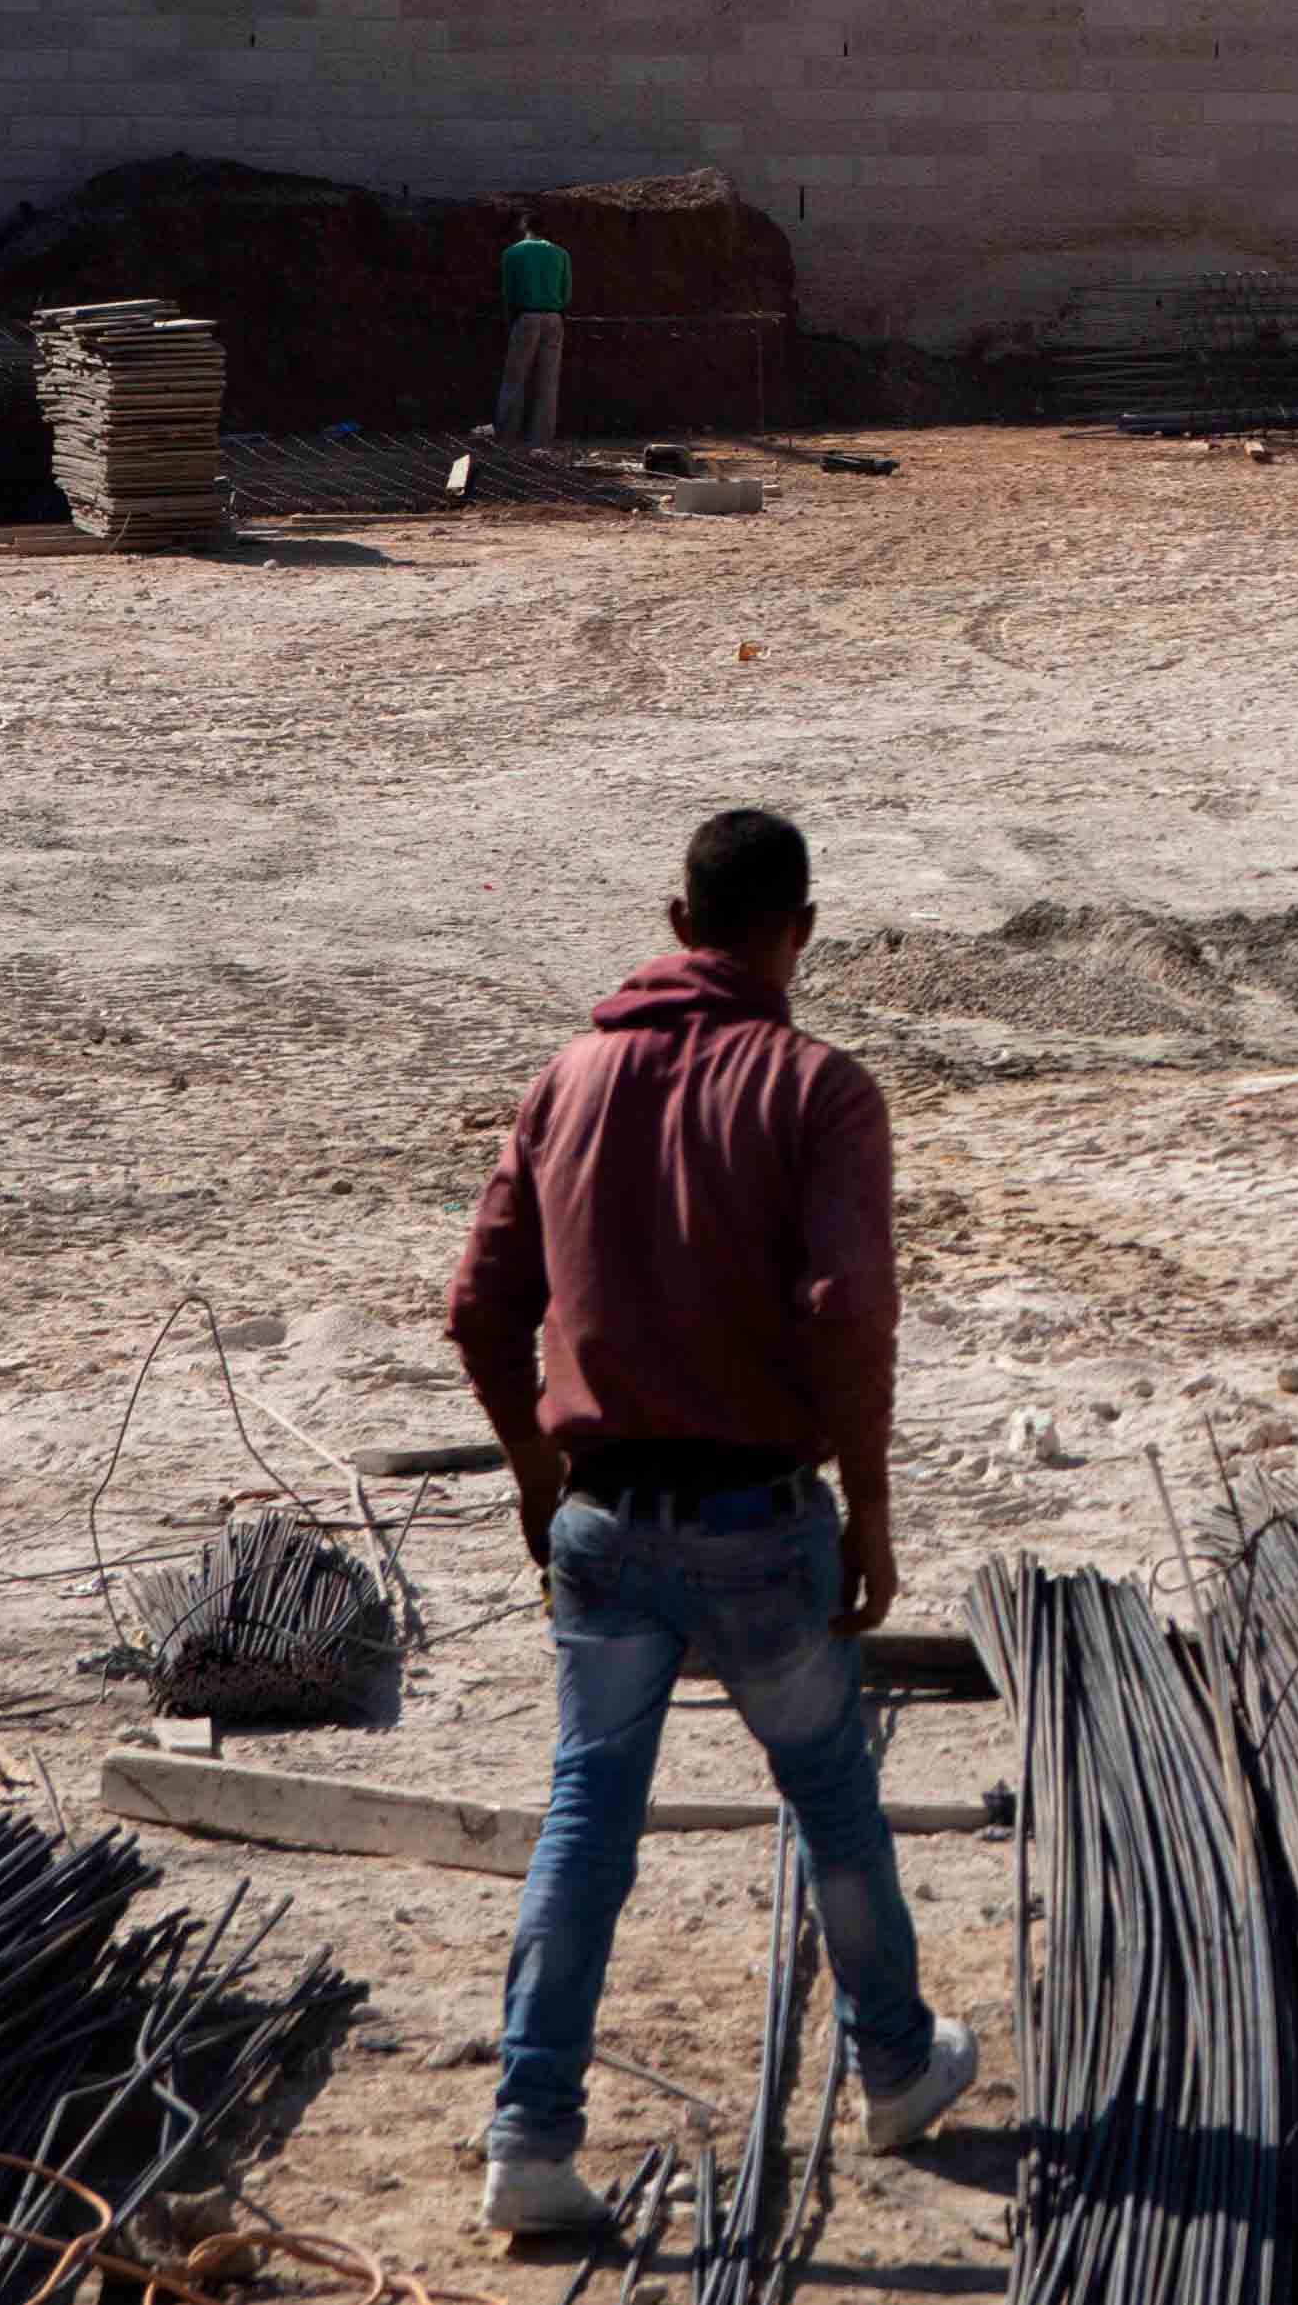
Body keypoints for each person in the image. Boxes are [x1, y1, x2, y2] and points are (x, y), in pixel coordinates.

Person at [445, 809, 970, 2236]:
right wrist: (866, 1502)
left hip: (607, 1522)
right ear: (798, 931)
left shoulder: (566, 1079)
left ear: (678, 920)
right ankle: (897, 2063)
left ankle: (530, 2138)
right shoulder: (820, 1092)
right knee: (831, 1795)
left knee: (582, 1818)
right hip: (758, 1518)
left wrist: (533, 1470)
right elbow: (848, 1309)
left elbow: (478, 1307)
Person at [492, 216, 573, 445]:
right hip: (554, 318)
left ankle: (507, 435)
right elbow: (566, 293)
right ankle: (540, 438)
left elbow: (509, 292)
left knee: (515, 379)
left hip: (526, 316)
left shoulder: (513, 253)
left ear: (524, 228)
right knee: (548, 381)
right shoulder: (561, 254)